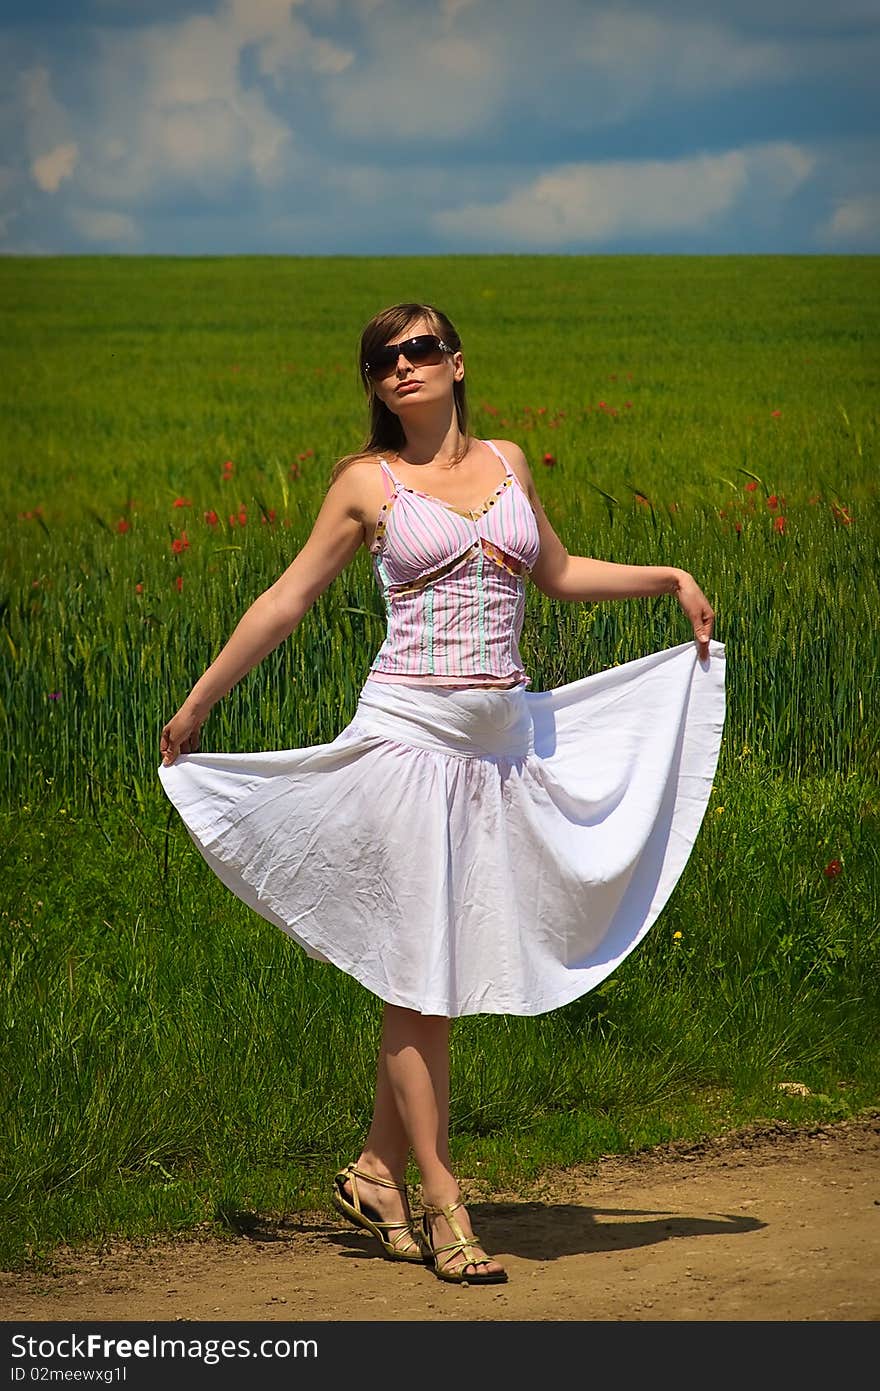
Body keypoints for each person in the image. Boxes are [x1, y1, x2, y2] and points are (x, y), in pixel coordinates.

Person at [159, 301, 725, 1286]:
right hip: (407, 742)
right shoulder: (364, 483)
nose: (401, 365)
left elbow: (551, 570)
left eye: (419, 349)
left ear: (456, 363)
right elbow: (287, 597)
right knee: (422, 977)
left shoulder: (505, 459)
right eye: (382, 360)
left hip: (497, 751)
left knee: (431, 974)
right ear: (375, 385)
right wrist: (201, 701)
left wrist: (664, 576)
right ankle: (443, 1192)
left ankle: (377, 1170)